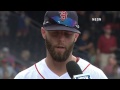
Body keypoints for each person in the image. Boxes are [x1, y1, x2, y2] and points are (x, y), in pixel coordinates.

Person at [14, 11, 107, 79]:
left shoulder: (96, 75)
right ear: (43, 33)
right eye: (55, 33)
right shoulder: (25, 77)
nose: (61, 39)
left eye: (67, 34)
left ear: (76, 36)